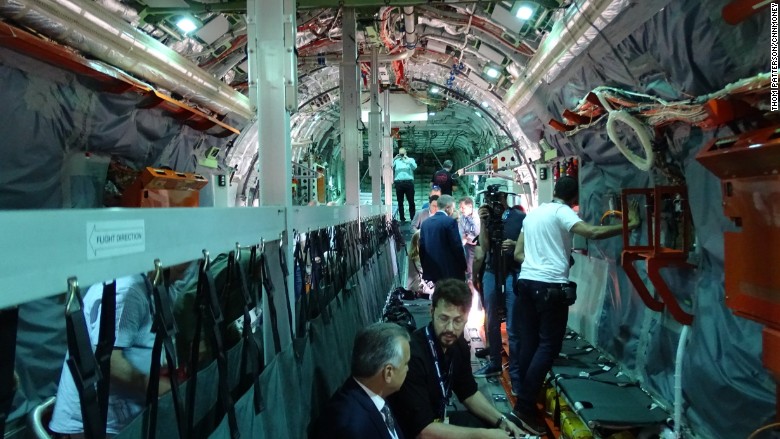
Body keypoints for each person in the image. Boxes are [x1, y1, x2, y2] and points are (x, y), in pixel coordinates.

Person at [509, 176, 639, 434]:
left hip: (525, 286)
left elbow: (518, 254)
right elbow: (591, 232)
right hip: (549, 289)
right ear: (575, 199)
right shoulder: (562, 212)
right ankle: (523, 407)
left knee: (529, 344)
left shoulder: (533, 214)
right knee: (548, 346)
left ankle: (525, 400)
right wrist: (630, 224)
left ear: (555, 190)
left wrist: (544, 259)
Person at [50, 267, 189, 436]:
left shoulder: (160, 285)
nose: (183, 275)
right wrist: (151, 384)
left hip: (126, 414)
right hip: (92, 423)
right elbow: (109, 362)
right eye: (181, 268)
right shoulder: (128, 292)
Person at [388, 279, 523, 439]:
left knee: (510, 424)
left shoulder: (459, 346)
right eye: (444, 318)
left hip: (437, 419)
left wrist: (501, 421)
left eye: (458, 321)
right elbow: (423, 432)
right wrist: (483, 435)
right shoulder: (412, 355)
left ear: (466, 318)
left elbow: (468, 393)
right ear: (432, 312)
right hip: (413, 432)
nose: (450, 328)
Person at [311, 322, 411, 439]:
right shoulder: (351, 428)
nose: (408, 369)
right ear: (388, 372)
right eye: (406, 363)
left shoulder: (375, 395)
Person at [471, 179, 525, 387]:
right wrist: (483, 222)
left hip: (512, 271)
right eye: (487, 197)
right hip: (492, 271)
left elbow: (528, 243)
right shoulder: (486, 218)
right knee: (491, 319)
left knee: (513, 325)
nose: (490, 201)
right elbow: (484, 247)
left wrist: (515, 245)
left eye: (494, 197)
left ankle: (516, 371)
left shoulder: (519, 217)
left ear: (503, 196)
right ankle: (494, 361)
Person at [419, 195, 467, 284]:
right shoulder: (450, 222)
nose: (453, 210)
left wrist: (426, 268)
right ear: (448, 207)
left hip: (432, 270)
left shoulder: (425, 223)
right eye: (453, 207)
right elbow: (456, 246)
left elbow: (422, 248)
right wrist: (463, 265)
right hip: (450, 270)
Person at [458, 196, 480, 284]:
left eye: (463, 207)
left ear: (470, 206)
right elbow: (462, 231)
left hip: (479, 245)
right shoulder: (462, 218)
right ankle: (471, 283)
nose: (461, 210)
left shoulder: (478, 216)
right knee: (469, 267)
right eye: (460, 207)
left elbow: (477, 232)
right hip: (468, 246)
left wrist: (467, 237)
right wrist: (465, 237)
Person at [393, 147, 417, 223]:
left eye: (403, 153)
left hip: (408, 182)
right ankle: (402, 218)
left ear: (405, 153)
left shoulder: (411, 160)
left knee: (411, 201)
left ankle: (412, 218)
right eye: (400, 153)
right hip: (399, 183)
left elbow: (415, 167)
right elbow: (389, 166)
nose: (402, 155)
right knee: (400, 202)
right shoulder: (396, 161)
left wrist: (407, 160)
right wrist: (394, 158)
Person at [406, 231, 425, 297]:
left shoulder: (413, 254)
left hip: (413, 287)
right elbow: (423, 271)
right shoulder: (417, 256)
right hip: (417, 289)